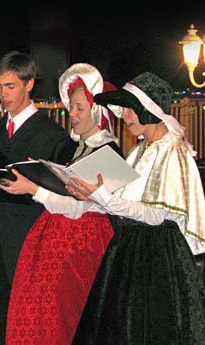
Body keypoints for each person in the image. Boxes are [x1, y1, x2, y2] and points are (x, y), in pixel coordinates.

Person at [63, 72, 205, 345]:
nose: (124, 116)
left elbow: (158, 215)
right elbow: (127, 204)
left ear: (147, 109)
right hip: (130, 251)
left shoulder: (173, 150)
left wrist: (104, 197)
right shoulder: (140, 150)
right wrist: (92, 196)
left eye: (129, 109)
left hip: (158, 258)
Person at [0, 63, 122, 345]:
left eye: (79, 108)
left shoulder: (110, 152)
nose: (72, 114)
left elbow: (82, 206)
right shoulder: (67, 146)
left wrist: (34, 188)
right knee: (35, 309)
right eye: (71, 107)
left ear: (97, 110)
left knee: (65, 316)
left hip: (84, 245)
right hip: (52, 237)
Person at [0, 50, 70, 345]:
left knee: (25, 325)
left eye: (11, 86)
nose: (3, 95)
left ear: (29, 83)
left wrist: (26, 188)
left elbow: (60, 197)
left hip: (28, 241)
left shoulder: (51, 135)